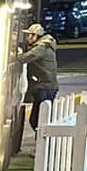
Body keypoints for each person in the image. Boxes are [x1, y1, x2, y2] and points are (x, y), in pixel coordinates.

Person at [16, 21, 59, 152]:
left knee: (38, 119)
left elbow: (26, 57)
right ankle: (41, 146)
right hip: (45, 86)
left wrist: (17, 55)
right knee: (39, 118)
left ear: (35, 36)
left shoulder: (41, 47)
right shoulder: (44, 45)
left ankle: (43, 148)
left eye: (29, 35)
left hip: (44, 87)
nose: (28, 38)